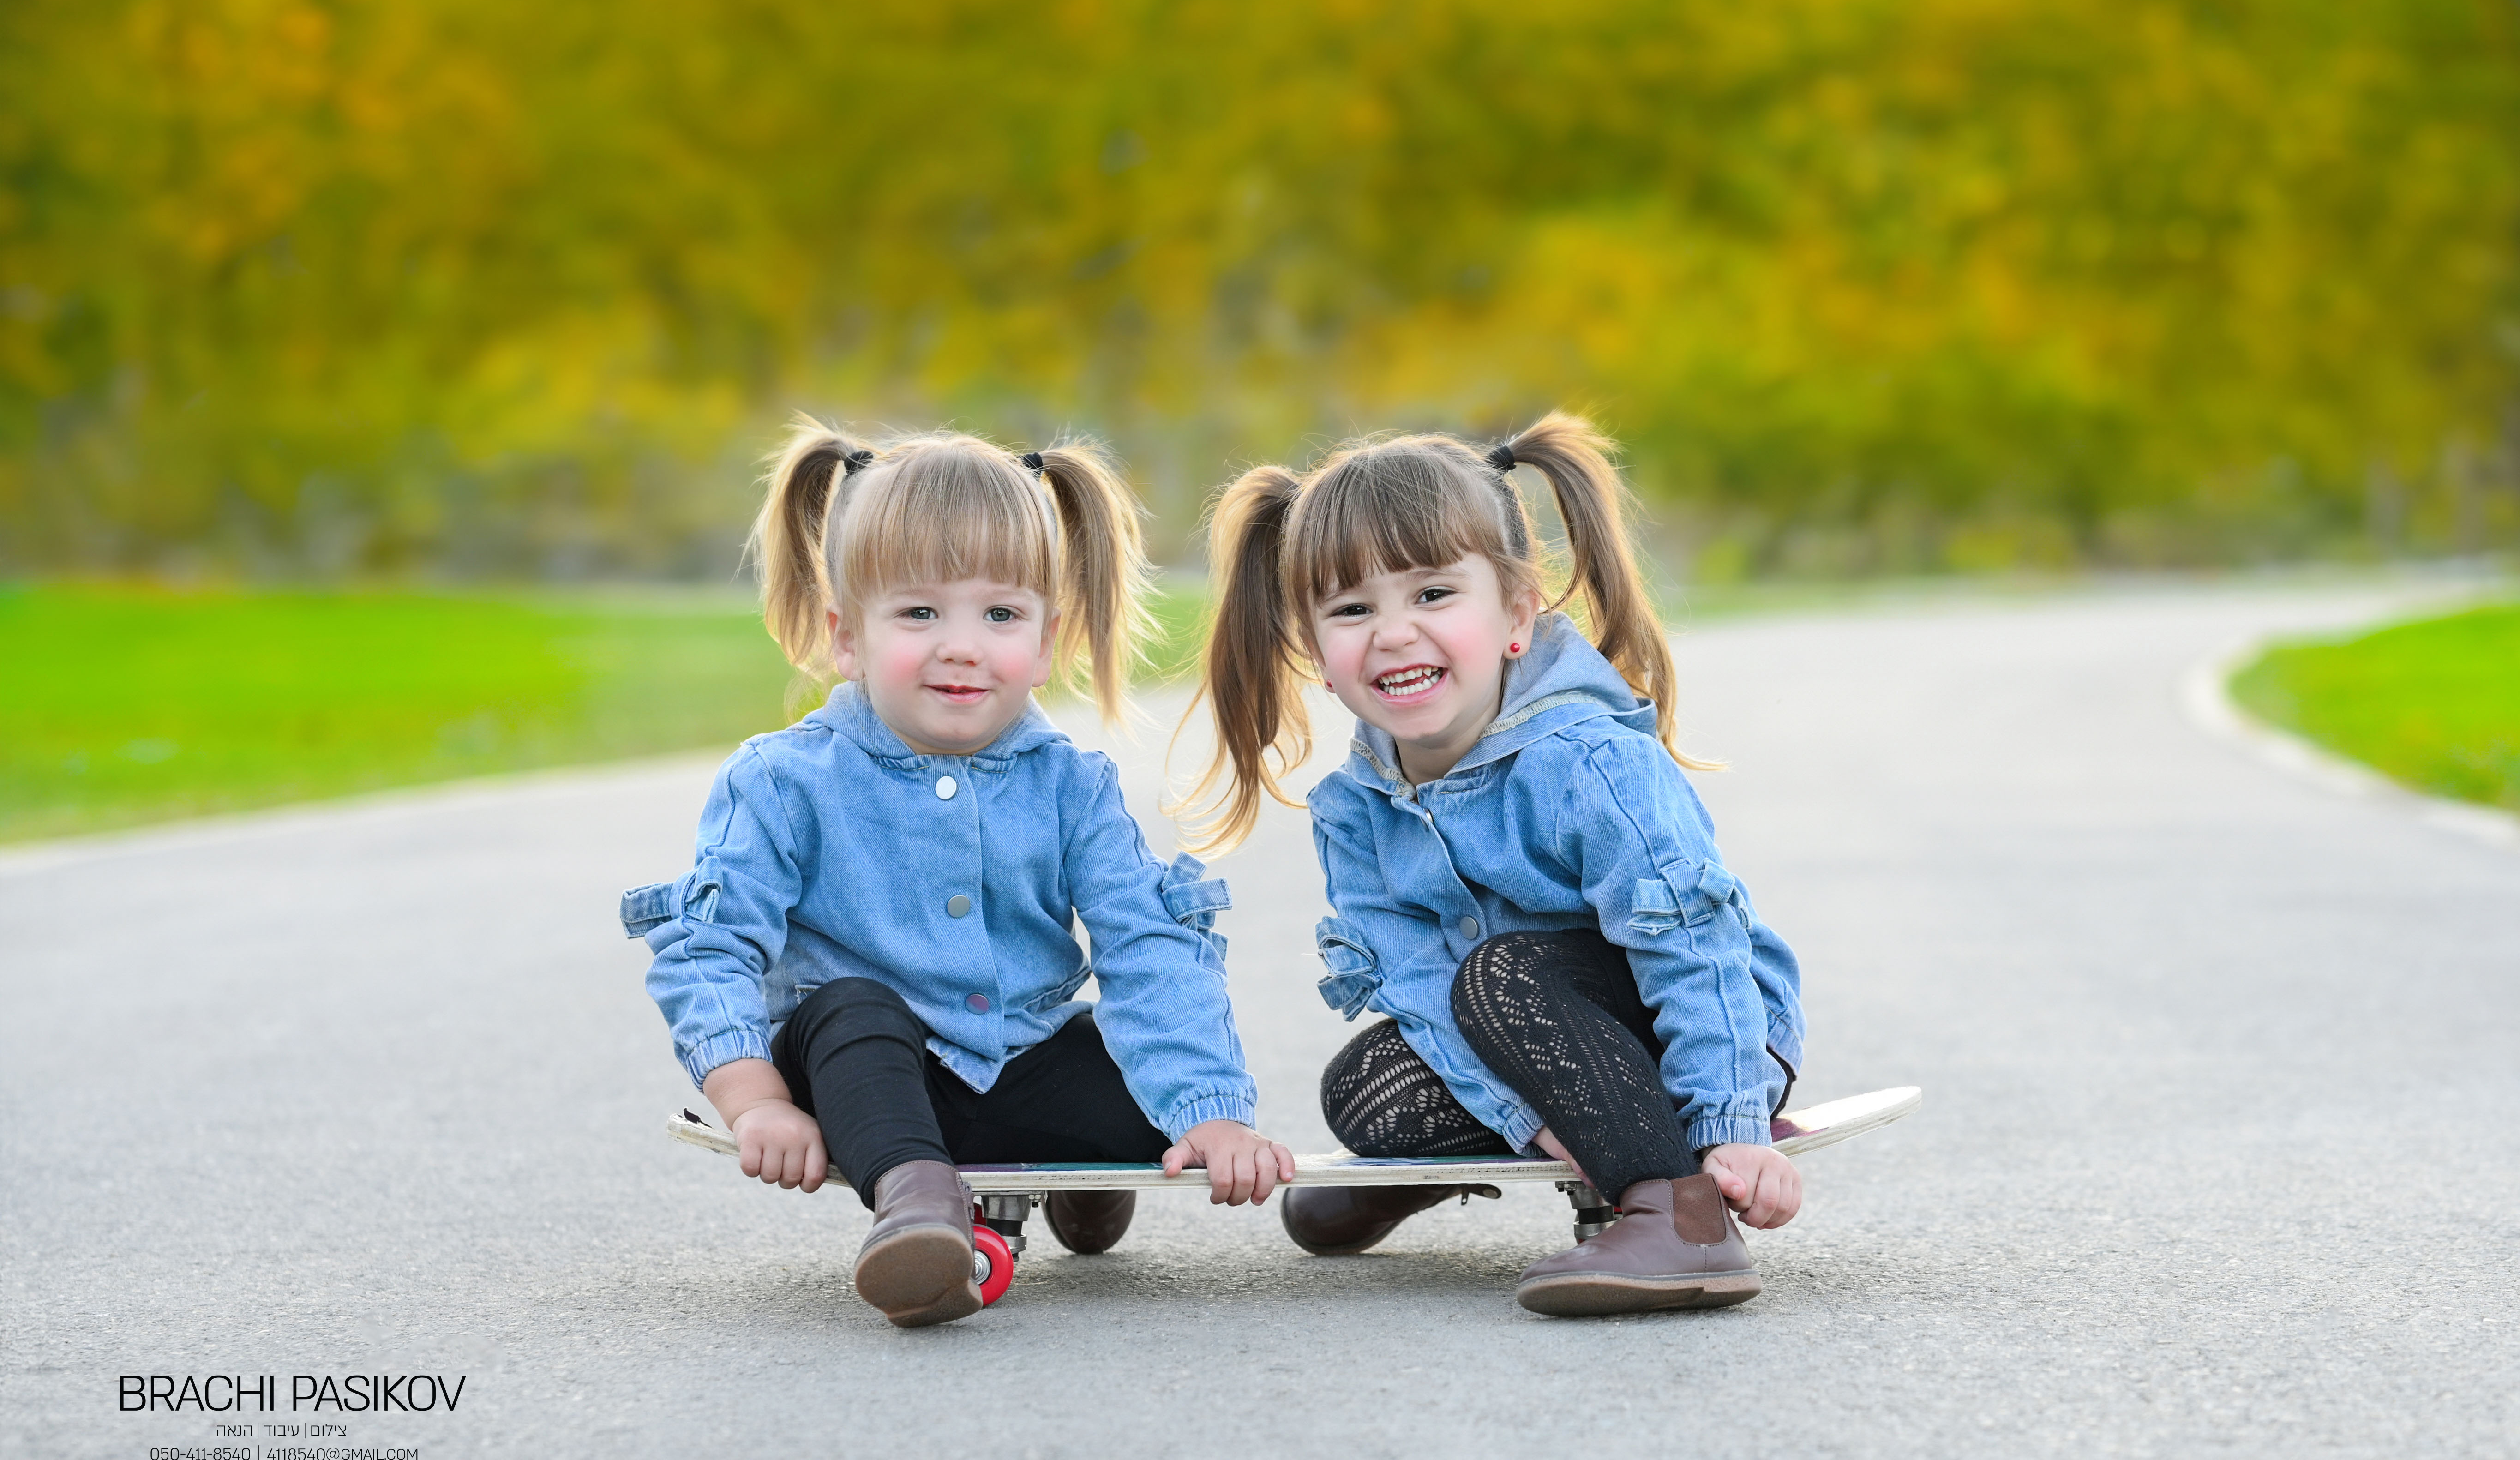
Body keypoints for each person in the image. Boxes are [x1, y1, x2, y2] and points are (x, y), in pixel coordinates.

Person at [624, 421, 1292, 1328]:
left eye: (1001, 614)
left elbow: (1147, 943)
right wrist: (754, 1101)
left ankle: (1080, 1179)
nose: (963, 645)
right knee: (851, 1011)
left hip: (1017, 1062)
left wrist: (1210, 1112)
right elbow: (710, 943)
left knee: (1134, 1052)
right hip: (876, 1086)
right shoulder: (784, 779)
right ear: (847, 637)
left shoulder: (1073, 785)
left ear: (1049, 639)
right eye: (920, 613)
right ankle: (918, 1207)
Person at [1181, 412, 1806, 1317]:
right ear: (1316, 654)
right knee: (1366, 1090)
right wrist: (1531, 1116)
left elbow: (1694, 944)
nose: (1393, 634)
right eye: (1353, 610)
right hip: (1519, 1024)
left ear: (1517, 615)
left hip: (1703, 1025)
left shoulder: (1587, 761)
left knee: (1499, 974)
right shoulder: (1358, 809)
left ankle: (1683, 1209)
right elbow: (1416, 981)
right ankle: (1592, 1135)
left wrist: (1734, 1123)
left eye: (1433, 594)